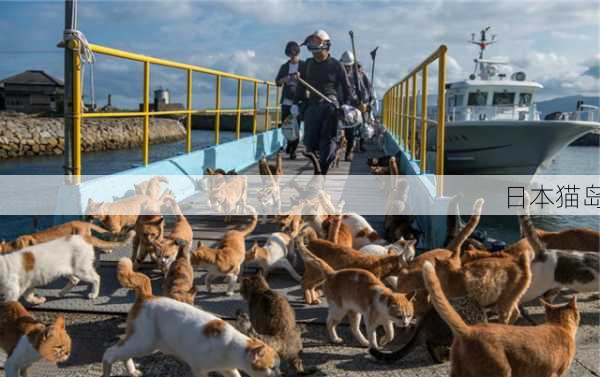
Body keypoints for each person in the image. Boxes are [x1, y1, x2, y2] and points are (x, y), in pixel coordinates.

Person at [293, 30, 356, 175]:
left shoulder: (336, 65)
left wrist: (346, 107)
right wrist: (295, 103)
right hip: (312, 105)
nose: (315, 55)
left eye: (318, 49)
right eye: (312, 49)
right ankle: (318, 163)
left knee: (328, 142)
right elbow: (301, 85)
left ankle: (323, 170)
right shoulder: (307, 64)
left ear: (327, 46)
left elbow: (347, 90)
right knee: (310, 142)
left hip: (330, 106)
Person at [275, 41, 304, 159]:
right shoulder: (284, 67)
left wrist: (300, 77)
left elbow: (311, 80)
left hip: (299, 101)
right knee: (286, 126)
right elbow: (277, 82)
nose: (292, 57)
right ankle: (289, 144)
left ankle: (293, 150)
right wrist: (286, 79)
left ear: (298, 53)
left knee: (296, 126)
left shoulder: (304, 65)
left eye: (294, 54)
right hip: (286, 101)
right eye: (290, 55)